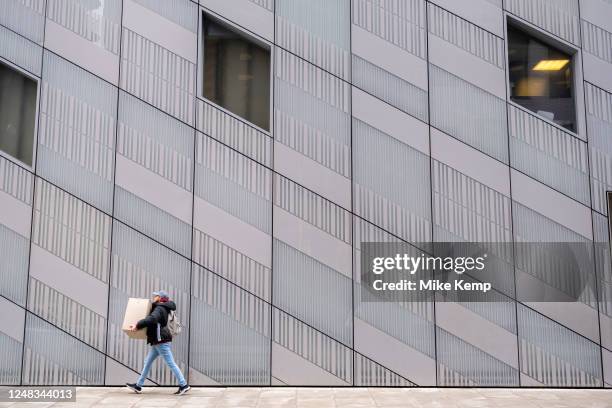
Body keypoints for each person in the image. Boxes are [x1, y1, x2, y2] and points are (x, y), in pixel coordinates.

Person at [125, 290, 190, 395]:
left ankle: (184, 385)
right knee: (148, 362)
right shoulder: (162, 307)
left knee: (171, 363)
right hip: (158, 340)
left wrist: (137, 325)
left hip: (161, 340)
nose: (154, 296)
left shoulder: (159, 308)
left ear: (160, 298)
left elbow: (152, 319)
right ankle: (138, 385)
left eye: (156, 295)